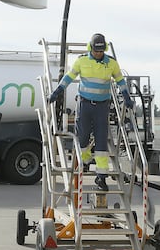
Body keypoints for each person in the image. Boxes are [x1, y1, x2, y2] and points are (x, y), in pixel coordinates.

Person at [49, 33, 134, 191]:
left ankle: (101, 177)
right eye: (96, 51)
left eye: (101, 51)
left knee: (102, 141)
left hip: (102, 106)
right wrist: (58, 91)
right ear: (90, 48)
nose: (98, 54)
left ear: (105, 49)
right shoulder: (82, 61)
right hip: (85, 105)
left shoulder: (112, 64)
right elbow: (69, 77)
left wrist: (127, 96)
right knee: (82, 138)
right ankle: (86, 159)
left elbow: (120, 80)